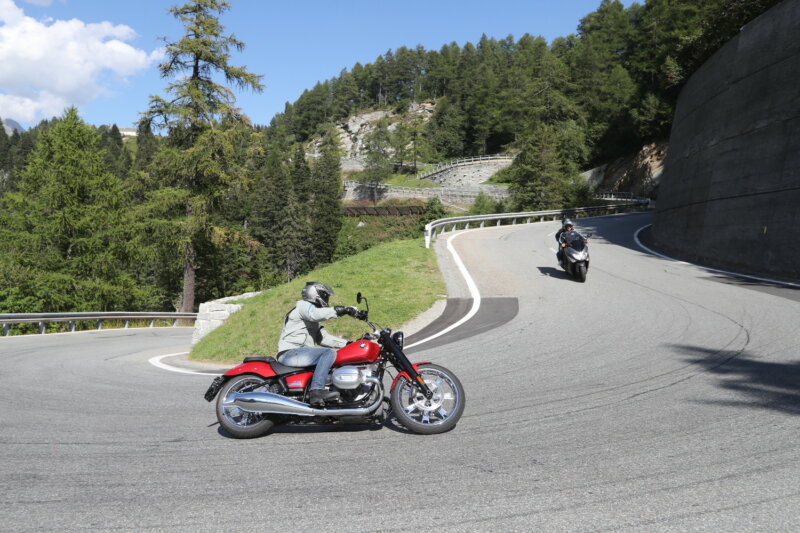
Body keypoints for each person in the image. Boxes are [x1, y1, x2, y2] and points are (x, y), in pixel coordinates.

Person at [277, 281, 360, 405]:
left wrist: (349, 344)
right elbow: (314, 315)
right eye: (324, 295)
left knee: (333, 366)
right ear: (315, 294)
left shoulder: (311, 318)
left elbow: (323, 338)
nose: (326, 298)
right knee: (328, 353)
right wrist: (343, 310)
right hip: (290, 353)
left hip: (300, 353)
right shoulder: (303, 306)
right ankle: (316, 391)